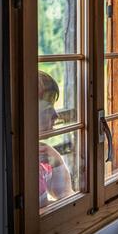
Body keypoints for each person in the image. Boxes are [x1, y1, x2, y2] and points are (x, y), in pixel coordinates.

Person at [38, 70, 74, 208]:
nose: (56, 115)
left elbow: (66, 196)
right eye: (47, 109)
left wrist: (57, 161)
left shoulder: (42, 155)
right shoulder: (29, 169)